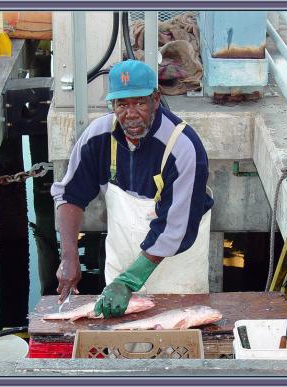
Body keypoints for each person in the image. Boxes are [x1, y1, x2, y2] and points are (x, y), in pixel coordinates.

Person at [51, 59, 214, 319]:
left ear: (156, 100)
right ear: (112, 106)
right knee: (121, 341)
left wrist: (128, 282)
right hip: (122, 260)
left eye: (139, 103)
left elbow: (176, 229)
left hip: (178, 268)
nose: (131, 114)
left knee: (178, 339)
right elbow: (70, 194)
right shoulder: (97, 137)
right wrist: (68, 255)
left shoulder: (183, 147)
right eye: (122, 104)